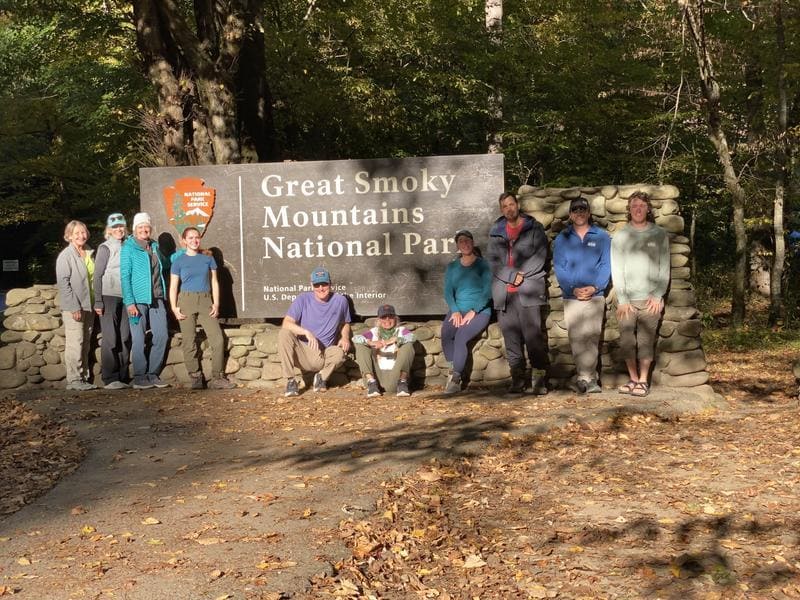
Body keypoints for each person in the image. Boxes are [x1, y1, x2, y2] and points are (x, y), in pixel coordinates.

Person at [486, 191, 550, 394]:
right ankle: (517, 378)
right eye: (504, 206)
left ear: (518, 205)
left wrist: (521, 275)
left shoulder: (534, 228)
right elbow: (493, 262)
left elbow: (540, 256)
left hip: (528, 290)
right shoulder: (496, 232)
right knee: (511, 339)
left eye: (511, 204)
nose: (509, 209)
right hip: (504, 293)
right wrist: (512, 276)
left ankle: (539, 379)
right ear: (501, 209)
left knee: (533, 338)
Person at [611, 191, 670, 397]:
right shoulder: (621, 236)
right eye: (634, 205)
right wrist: (622, 299)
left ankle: (643, 381)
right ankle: (633, 379)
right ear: (629, 209)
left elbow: (665, 267)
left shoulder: (659, 234)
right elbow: (617, 269)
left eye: (642, 206)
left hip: (650, 300)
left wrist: (658, 294)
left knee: (646, 341)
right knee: (627, 341)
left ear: (648, 209)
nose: (638, 209)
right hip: (627, 301)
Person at [553, 197, 611, 394]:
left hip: (595, 295)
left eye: (583, 209)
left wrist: (595, 287)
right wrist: (572, 288)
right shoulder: (562, 238)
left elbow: (606, 265)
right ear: (570, 214)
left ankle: (587, 378)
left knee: (592, 337)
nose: (579, 213)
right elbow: (559, 266)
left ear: (588, 213)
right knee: (576, 337)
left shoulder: (601, 236)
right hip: (572, 296)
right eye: (575, 210)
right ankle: (585, 377)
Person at [169, 227, 236, 390]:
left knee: (217, 339)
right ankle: (195, 377)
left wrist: (216, 303)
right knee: (189, 340)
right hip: (186, 301)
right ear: (184, 241)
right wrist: (174, 308)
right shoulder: (178, 261)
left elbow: (214, 282)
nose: (194, 240)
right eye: (190, 238)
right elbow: (173, 286)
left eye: (197, 237)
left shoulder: (208, 259)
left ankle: (217, 377)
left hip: (206, 300)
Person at [279, 267, 352, 397]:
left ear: (330, 284)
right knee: (284, 333)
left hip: (324, 354)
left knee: (339, 353)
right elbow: (287, 323)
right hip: (304, 352)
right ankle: (290, 381)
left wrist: (345, 337)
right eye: (317, 285)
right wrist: (306, 332)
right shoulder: (302, 299)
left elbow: (345, 323)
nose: (321, 288)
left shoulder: (340, 301)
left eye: (324, 284)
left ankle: (321, 377)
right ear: (311, 285)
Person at [120, 212, 171, 390]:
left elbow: (165, 264)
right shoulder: (128, 247)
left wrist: (183, 253)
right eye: (140, 227)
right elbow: (125, 276)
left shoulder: (155, 246)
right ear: (135, 229)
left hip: (157, 298)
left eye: (146, 227)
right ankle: (140, 377)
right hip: (137, 301)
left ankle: (153, 374)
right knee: (138, 338)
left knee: (162, 335)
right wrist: (129, 302)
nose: (144, 230)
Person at [441, 230, 492, 395]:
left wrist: (474, 311)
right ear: (458, 246)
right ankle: (453, 369)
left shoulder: (483, 265)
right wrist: (455, 311)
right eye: (461, 241)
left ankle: (456, 379)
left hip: (480, 311)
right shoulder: (452, 267)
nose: (465, 244)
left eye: (468, 240)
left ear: (473, 242)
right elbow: (448, 292)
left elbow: (488, 291)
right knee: (446, 334)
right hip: (458, 310)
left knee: (461, 337)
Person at [56, 220, 97, 391]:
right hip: (75, 307)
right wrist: (74, 307)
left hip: (90, 305)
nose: (81, 236)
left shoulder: (89, 252)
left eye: (83, 232)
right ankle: (73, 379)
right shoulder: (66, 256)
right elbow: (63, 283)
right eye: (77, 233)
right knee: (75, 343)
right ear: (69, 236)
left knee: (86, 342)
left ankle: (83, 378)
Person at [93, 213, 131, 390]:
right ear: (109, 229)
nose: (119, 229)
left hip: (127, 297)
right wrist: (98, 300)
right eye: (115, 227)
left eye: (121, 226)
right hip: (109, 295)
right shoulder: (105, 247)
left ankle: (123, 376)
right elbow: (97, 275)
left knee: (124, 336)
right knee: (110, 337)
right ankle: (109, 377)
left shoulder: (129, 245)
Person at [353, 304, 414, 397]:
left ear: (395, 318)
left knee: (408, 345)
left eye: (390, 317)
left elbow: (413, 337)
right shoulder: (374, 331)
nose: (387, 320)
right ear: (379, 319)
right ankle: (371, 383)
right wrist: (371, 342)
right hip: (377, 376)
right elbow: (355, 338)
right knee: (361, 345)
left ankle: (402, 383)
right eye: (383, 317)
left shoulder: (401, 330)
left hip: (394, 377)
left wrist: (395, 340)